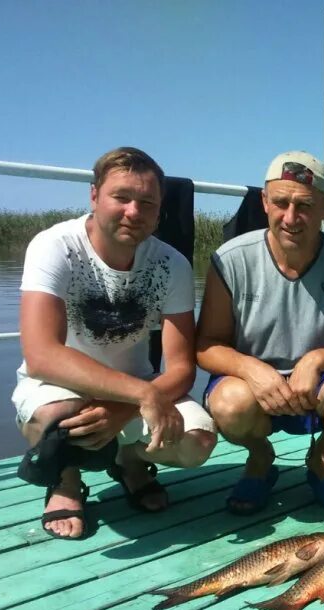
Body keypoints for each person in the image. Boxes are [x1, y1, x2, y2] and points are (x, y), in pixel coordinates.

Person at [13, 146, 217, 540]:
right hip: (62, 388)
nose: (133, 212)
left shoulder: (171, 264)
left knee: (198, 442)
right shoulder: (55, 246)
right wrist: (141, 395)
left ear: (159, 210)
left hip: (136, 388)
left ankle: (128, 461)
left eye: (146, 202)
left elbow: (180, 368)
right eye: (121, 197)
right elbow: (41, 356)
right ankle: (65, 480)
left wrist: (130, 404)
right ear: (94, 196)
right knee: (59, 415)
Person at [196, 151, 324, 515]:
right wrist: (252, 370)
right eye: (281, 203)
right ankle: (260, 458)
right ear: (264, 201)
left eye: (304, 206)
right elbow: (207, 345)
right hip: (255, 387)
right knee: (229, 403)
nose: (291, 218)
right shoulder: (230, 260)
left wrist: (319, 358)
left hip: (319, 386)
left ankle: (322, 457)